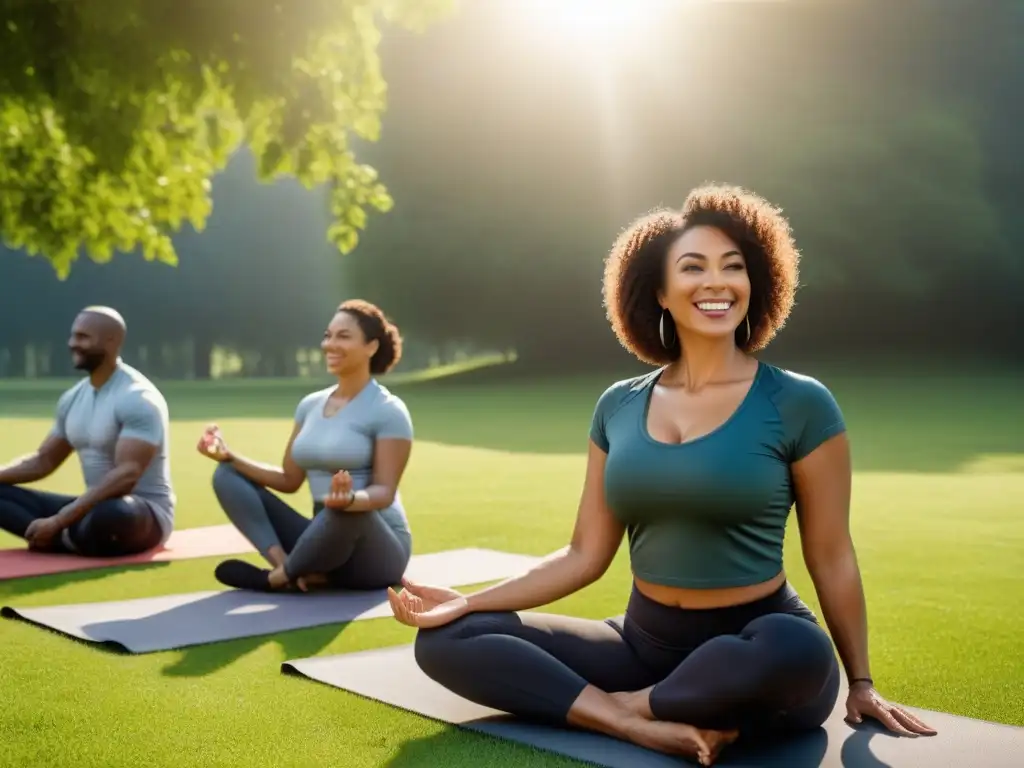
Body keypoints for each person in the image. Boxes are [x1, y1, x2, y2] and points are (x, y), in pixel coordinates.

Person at [386, 185, 937, 766]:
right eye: (693, 267)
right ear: (660, 292)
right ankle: (633, 720)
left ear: (757, 282)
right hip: (641, 642)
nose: (717, 283)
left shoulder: (800, 402)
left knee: (801, 649)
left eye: (734, 267)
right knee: (448, 640)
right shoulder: (617, 406)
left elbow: (831, 553)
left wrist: (862, 682)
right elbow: (582, 555)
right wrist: (470, 604)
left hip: (755, 647)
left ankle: (635, 706)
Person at [202, 299, 414, 593]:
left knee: (342, 512)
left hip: (378, 550)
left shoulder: (388, 410)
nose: (330, 344)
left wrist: (352, 500)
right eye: (328, 335)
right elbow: (289, 480)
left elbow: (384, 492)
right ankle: (286, 565)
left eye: (343, 336)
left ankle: (274, 580)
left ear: (371, 347)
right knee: (227, 474)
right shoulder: (310, 405)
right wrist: (229, 456)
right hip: (323, 536)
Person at [0, 306, 174, 557]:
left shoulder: (138, 398)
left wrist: (59, 520)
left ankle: (59, 536)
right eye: (73, 336)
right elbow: (43, 460)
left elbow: (127, 475)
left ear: (112, 341)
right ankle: (70, 537)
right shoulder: (72, 399)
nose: (73, 343)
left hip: (141, 513)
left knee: (115, 515)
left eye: (83, 337)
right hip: (89, 508)